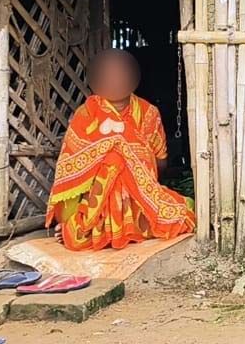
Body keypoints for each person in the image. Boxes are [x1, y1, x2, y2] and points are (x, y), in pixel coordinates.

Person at [45, 49, 195, 251]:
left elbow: (160, 160)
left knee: (179, 215)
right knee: (113, 160)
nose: (115, 80)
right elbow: (69, 169)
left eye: (121, 74)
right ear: (96, 80)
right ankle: (84, 224)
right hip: (94, 203)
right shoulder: (86, 114)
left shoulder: (148, 113)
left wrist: (134, 169)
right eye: (108, 75)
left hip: (141, 198)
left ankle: (128, 224)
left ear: (133, 76)